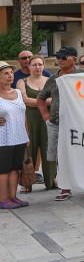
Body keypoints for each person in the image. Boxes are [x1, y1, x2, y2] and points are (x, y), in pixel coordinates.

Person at [37, 47, 78, 201]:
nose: (60, 60)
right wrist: (46, 116)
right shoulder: (53, 79)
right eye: (58, 57)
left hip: (79, 124)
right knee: (61, 156)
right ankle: (65, 188)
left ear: (74, 59)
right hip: (57, 123)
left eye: (64, 57)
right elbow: (40, 98)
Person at [15, 56, 48, 191]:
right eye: (34, 65)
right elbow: (25, 100)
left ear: (44, 66)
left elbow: (57, 98)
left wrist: (36, 102)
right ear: (29, 67)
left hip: (47, 118)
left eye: (40, 64)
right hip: (29, 118)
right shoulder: (21, 82)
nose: (37, 67)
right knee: (29, 149)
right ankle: (27, 182)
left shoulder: (50, 80)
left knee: (48, 148)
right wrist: (46, 102)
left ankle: (51, 180)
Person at [0, 62, 29, 209]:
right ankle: (3, 199)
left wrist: (27, 135)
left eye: (11, 72)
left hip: (19, 136)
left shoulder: (18, 92)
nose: (10, 75)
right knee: (3, 169)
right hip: (3, 139)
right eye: (5, 73)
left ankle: (13, 197)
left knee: (15, 168)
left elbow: (23, 115)